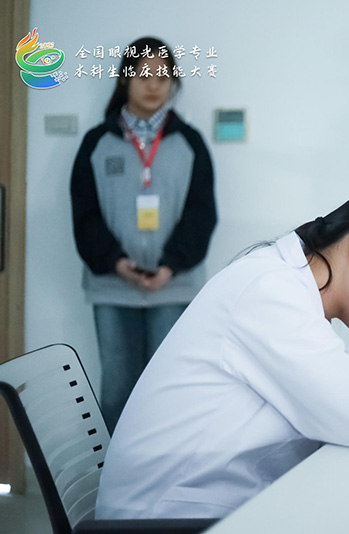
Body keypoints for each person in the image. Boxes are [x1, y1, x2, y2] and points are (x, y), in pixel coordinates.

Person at [94, 184, 349, 519]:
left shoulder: (283, 284)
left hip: (205, 507)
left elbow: (331, 416)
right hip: (166, 519)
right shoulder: (270, 291)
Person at [70, 36, 217, 433]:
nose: (154, 85)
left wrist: (170, 265)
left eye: (163, 76)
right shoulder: (97, 143)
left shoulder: (190, 142)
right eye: (143, 75)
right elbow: (85, 214)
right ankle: (117, 471)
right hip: (112, 288)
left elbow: (201, 213)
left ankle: (166, 468)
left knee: (167, 391)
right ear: (125, 79)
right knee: (118, 392)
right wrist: (116, 263)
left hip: (173, 287)